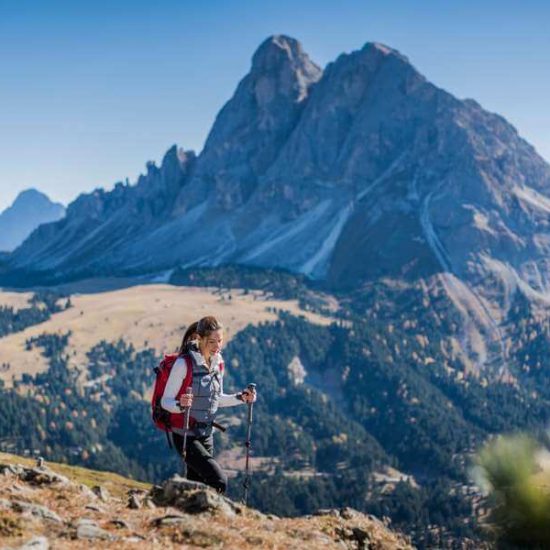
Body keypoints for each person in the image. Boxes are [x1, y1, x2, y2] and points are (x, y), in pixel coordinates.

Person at [160, 315, 256, 494]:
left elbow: (216, 399)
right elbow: (165, 401)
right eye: (212, 342)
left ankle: (186, 518)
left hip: (207, 434)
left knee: (195, 487)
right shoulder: (183, 364)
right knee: (218, 480)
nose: (217, 347)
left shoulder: (218, 363)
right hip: (185, 435)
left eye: (220, 341)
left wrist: (240, 398)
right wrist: (180, 405)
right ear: (199, 339)